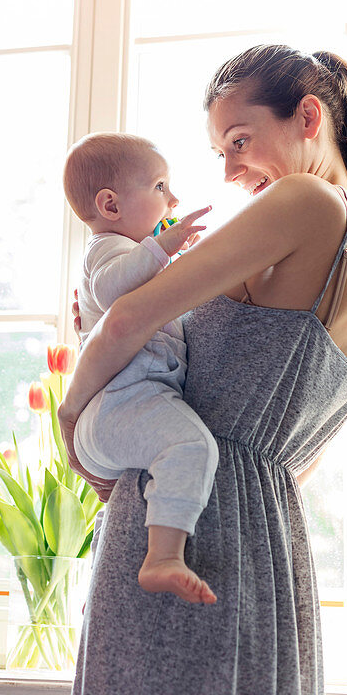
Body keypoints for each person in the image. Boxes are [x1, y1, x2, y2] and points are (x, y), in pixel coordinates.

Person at [58, 45, 347, 695]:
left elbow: (126, 320)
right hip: (273, 546)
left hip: (185, 531)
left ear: (308, 115)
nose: (228, 171)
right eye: (218, 151)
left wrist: (69, 422)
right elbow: (298, 460)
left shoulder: (304, 200)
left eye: (238, 142)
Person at [63, 132, 218, 605]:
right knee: (192, 447)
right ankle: (163, 558)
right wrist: (162, 246)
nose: (172, 199)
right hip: (119, 404)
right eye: (159, 187)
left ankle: (152, 547)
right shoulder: (105, 248)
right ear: (110, 205)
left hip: (131, 402)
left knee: (178, 454)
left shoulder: (136, 258)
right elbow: (113, 291)